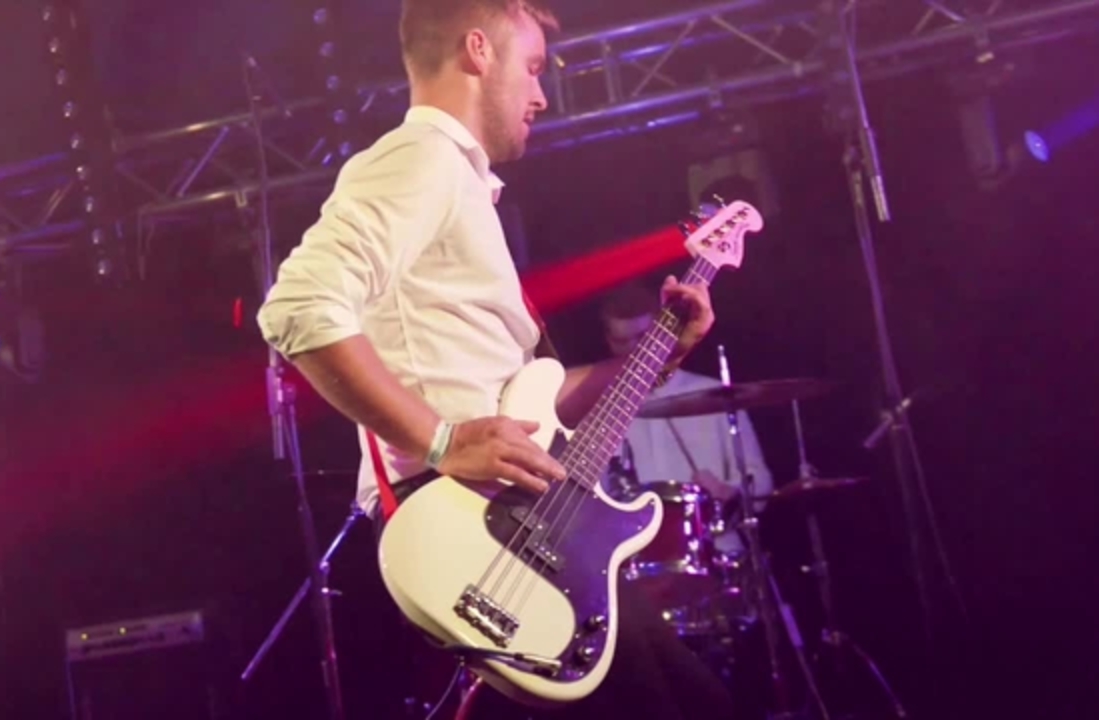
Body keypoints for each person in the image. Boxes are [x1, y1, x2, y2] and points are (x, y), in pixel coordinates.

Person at [258, 1, 737, 717]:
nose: (542, 95)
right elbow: (297, 309)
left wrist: (658, 357)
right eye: (534, 68)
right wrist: (443, 441)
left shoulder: (459, 185)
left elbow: (528, 403)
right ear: (478, 51)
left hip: (514, 519)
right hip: (475, 521)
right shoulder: (421, 158)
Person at [599, 281, 774, 559]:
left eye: (643, 338)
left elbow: (761, 482)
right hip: (634, 560)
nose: (636, 351)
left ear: (661, 334)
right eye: (623, 342)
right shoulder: (601, 409)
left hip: (716, 553)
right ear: (609, 341)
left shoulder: (716, 396)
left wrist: (728, 491)